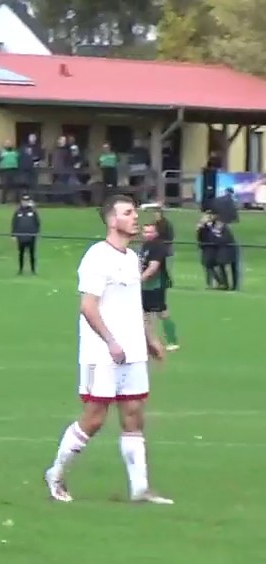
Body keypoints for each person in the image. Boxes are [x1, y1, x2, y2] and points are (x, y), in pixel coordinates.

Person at [43, 195, 171, 505]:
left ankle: (139, 488)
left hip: (132, 351)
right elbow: (88, 306)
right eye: (128, 213)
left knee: (133, 413)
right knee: (95, 417)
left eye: (135, 212)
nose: (135, 218)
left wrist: (149, 337)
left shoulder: (130, 258)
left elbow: (132, 304)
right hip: (101, 352)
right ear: (112, 220)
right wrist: (111, 341)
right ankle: (56, 473)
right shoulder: (96, 257)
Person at [138, 223, 179, 351]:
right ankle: (150, 341)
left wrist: (139, 280)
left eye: (150, 232)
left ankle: (170, 340)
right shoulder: (144, 246)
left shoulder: (158, 247)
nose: (147, 235)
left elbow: (153, 267)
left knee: (159, 313)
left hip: (156, 285)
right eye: (145, 232)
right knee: (146, 314)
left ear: (156, 233)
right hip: (145, 286)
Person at [11, 193, 41, 275]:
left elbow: (37, 223)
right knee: (21, 254)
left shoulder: (33, 211)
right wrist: (13, 235)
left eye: (27, 201)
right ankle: (20, 269)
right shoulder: (18, 212)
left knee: (32, 254)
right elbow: (14, 223)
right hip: (21, 237)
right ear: (21, 202)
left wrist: (36, 233)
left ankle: (33, 270)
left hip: (31, 236)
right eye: (24, 201)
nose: (25, 203)